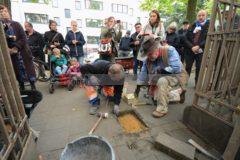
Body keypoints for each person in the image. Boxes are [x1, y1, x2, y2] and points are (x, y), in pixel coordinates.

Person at [134, 36, 187, 118]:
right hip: (161, 75)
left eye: (150, 53)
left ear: (156, 49)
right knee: (156, 96)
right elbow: (143, 74)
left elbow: (176, 68)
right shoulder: (148, 58)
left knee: (161, 81)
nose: (149, 57)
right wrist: (138, 87)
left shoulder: (169, 50)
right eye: (147, 54)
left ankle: (162, 109)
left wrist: (161, 70)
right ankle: (179, 93)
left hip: (176, 75)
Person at [0, 4, 36, 90]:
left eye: (5, 11)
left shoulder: (16, 24)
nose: (3, 13)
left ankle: (33, 86)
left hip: (23, 52)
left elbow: (24, 38)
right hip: (11, 55)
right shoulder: (1, 27)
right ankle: (21, 87)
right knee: (17, 72)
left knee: (29, 71)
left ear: (9, 13)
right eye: (1, 12)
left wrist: (15, 48)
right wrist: (7, 49)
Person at [184, 10, 209, 86]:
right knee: (187, 67)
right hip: (190, 50)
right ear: (197, 16)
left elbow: (208, 38)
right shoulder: (192, 25)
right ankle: (184, 83)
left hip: (201, 51)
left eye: (203, 15)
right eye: (199, 15)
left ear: (206, 16)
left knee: (199, 68)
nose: (201, 17)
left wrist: (199, 46)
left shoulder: (209, 26)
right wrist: (191, 47)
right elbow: (185, 38)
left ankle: (197, 84)